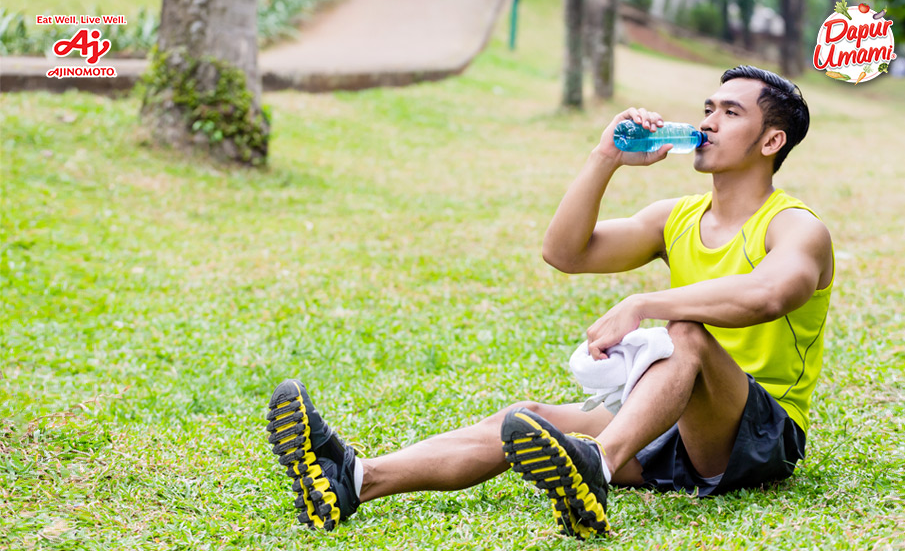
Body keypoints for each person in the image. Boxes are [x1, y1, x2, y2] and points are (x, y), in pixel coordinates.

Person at [264, 65, 833, 538]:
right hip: (674, 423)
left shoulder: (795, 227)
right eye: (708, 108)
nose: (708, 122)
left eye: (730, 113)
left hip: (760, 436)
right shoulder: (676, 217)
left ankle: (598, 467)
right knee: (529, 418)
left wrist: (645, 303)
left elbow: (770, 294)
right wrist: (603, 158)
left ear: (771, 140)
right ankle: (353, 479)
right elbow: (565, 251)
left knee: (683, 329)